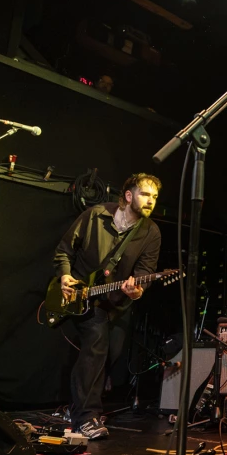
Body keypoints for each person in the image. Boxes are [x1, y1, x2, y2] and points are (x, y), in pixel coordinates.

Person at [53, 173, 162, 440]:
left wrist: (136, 292)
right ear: (128, 196)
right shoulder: (95, 214)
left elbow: (145, 273)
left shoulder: (151, 233)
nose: (151, 201)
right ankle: (86, 418)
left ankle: (75, 407)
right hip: (80, 297)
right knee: (96, 345)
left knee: (111, 357)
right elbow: (64, 250)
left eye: (155, 197)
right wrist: (65, 276)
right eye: (145, 194)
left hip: (117, 303)